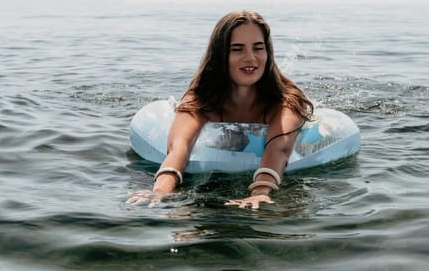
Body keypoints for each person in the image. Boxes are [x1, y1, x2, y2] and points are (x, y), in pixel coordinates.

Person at [128, 10, 314, 209]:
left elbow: (279, 148)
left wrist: (260, 192)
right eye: (237, 49)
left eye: (258, 48)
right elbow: (179, 145)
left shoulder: (285, 101)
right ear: (220, 55)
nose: (250, 58)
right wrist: (161, 190)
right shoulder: (202, 99)